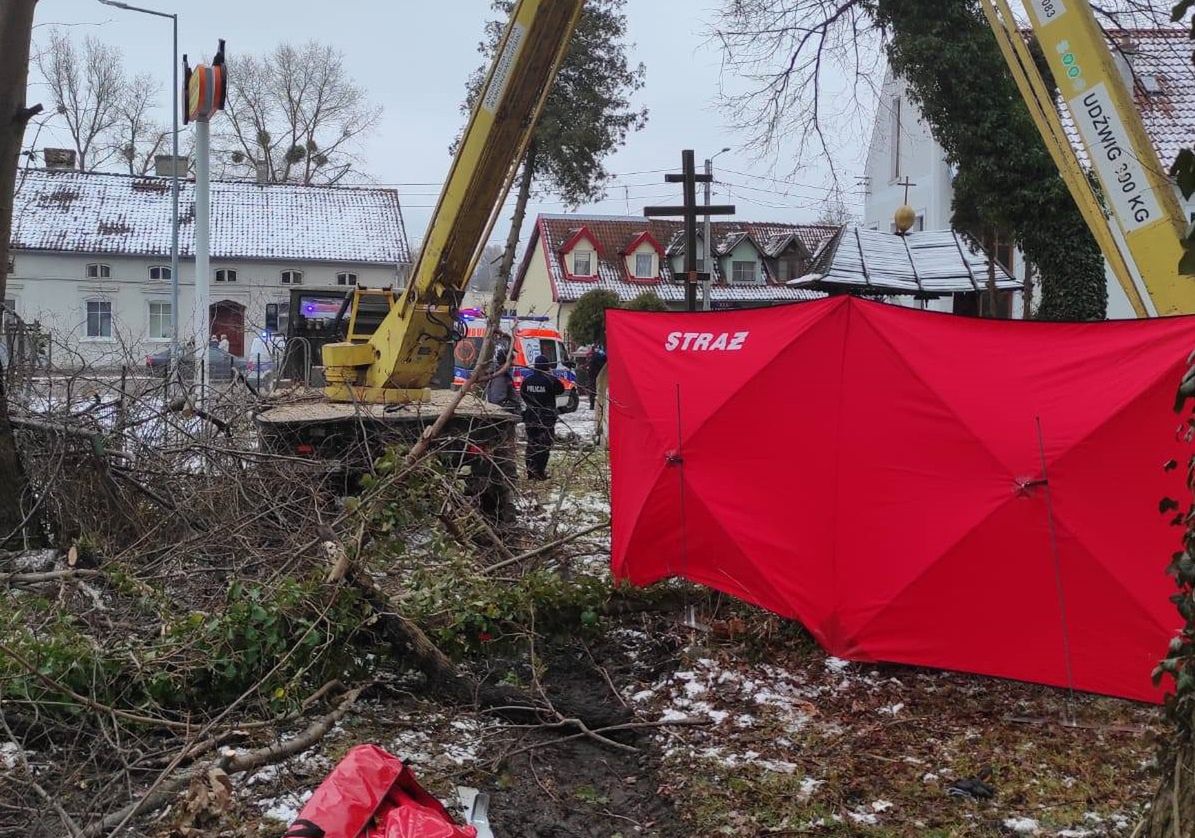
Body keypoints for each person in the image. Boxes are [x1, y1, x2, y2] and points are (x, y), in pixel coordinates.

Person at [521, 354, 564, 480]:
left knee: (531, 444)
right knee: (544, 446)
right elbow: (560, 390)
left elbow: (523, 394)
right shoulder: (550, 379)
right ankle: (540, 472)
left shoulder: (527, 380)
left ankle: (530, 471)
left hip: (531, 417)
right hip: (546, 418)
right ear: (546, 367)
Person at [484, 350, 521, 414]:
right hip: (504, 412)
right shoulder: (500, 378)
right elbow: (497, 400)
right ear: (506, 362)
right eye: (511, 361)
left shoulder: (502, 375)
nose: (513, 364)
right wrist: (512, 407)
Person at [586, 344, 607, 410]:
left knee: (593, 390)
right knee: (599, 389)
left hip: (592, 375)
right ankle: (598, 404)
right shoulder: (600, 355)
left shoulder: (593, 355)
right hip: (599, 374)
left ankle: (592, 405)